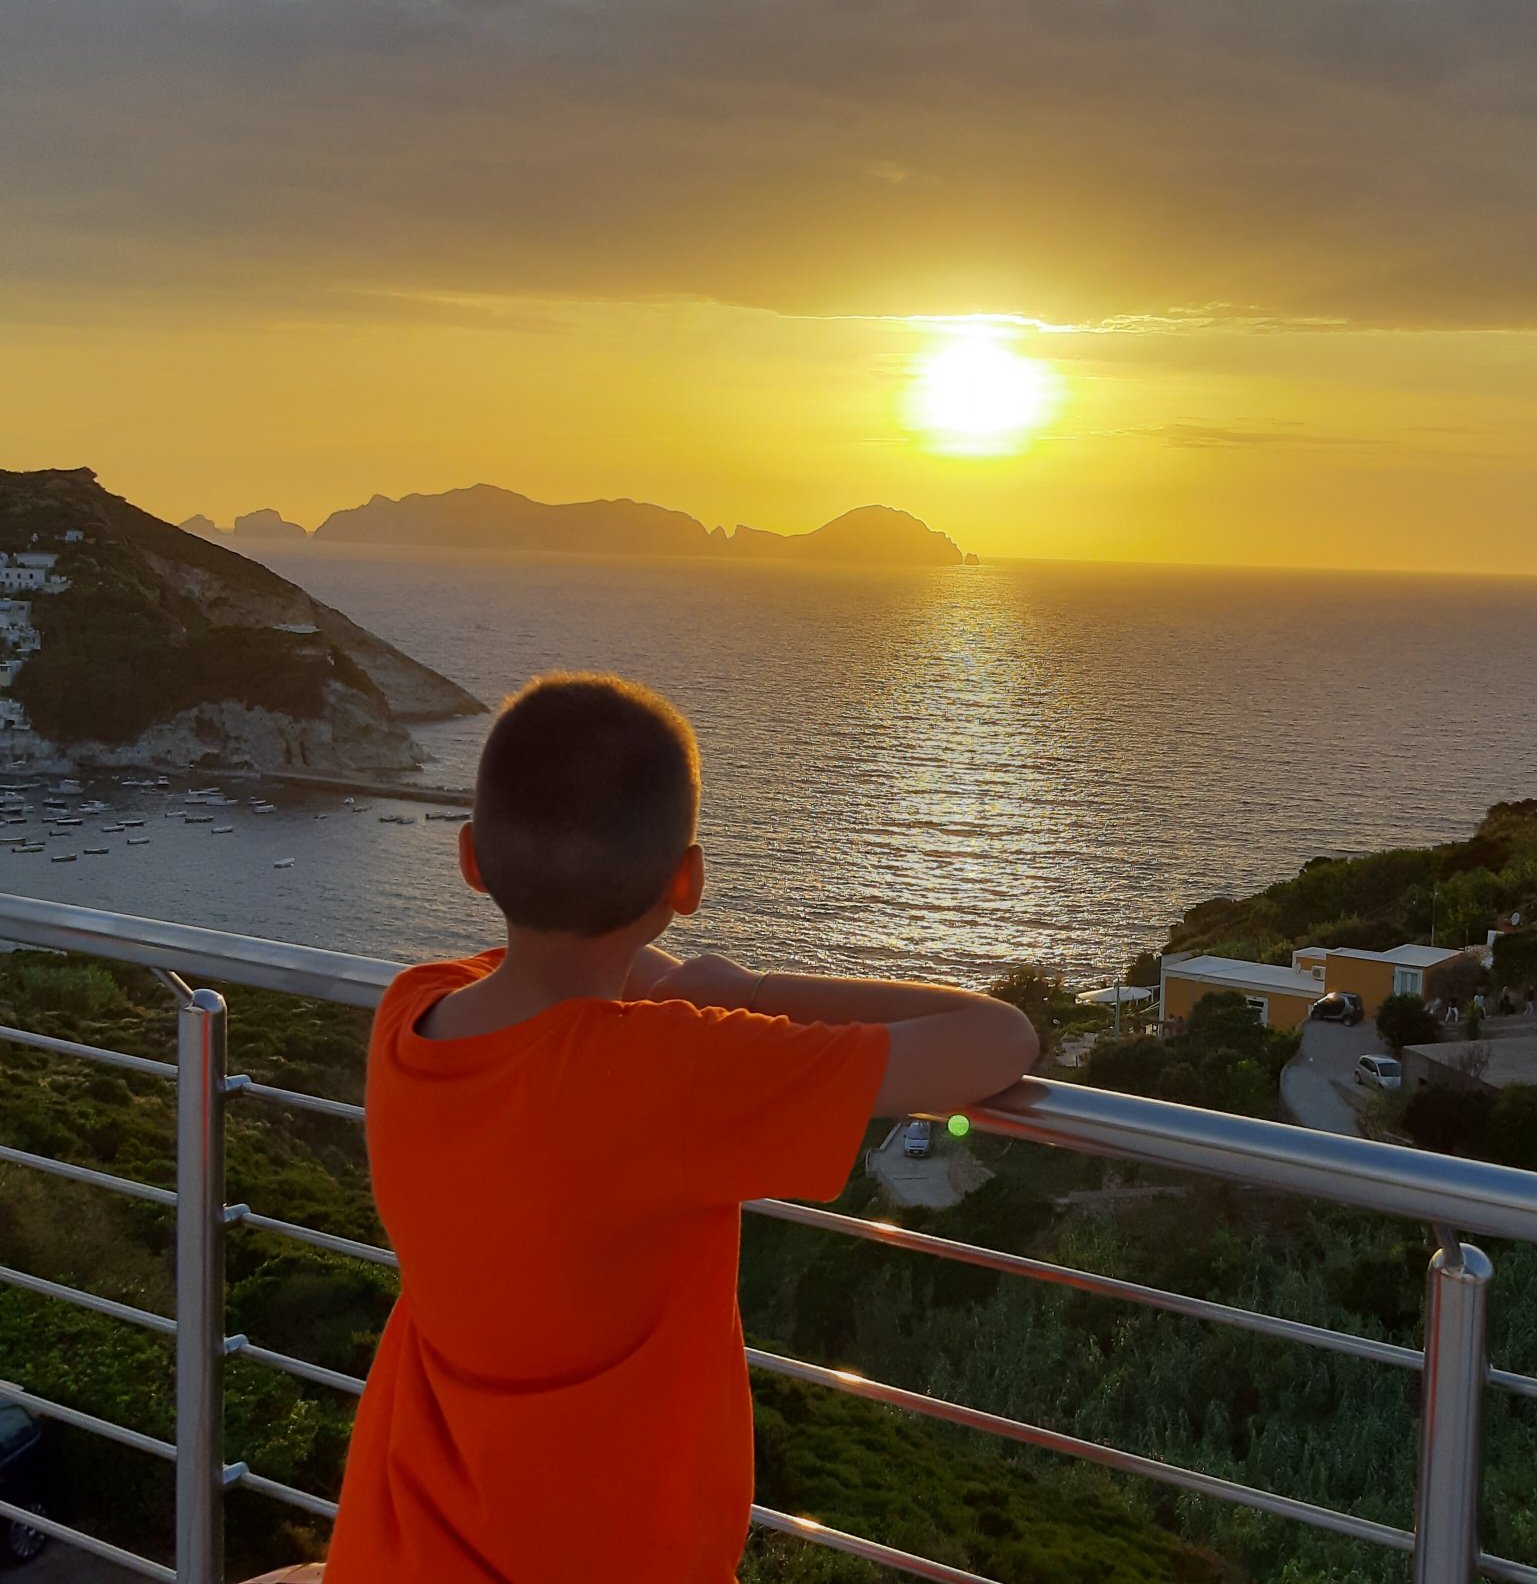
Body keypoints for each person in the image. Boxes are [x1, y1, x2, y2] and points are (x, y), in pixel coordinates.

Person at [325, 674, 1038, 1583]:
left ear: (471, 858)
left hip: (402, 1554)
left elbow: (563, 980)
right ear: (688, 881)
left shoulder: (413, 1010)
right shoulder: (669, 1073)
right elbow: (997, 1039)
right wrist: (744, 991)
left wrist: (666, 974)